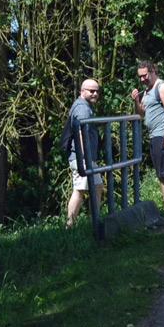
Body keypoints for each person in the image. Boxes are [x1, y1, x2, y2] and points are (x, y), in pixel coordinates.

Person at [130, 60, 164, 211]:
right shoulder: (147, 91)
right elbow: (141, 113)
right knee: (161, 173)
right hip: (154, 136)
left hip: (163, 135)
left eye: (144, 75)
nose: (142, 79)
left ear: (152, 72)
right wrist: (136, 101)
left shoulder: (162, 87)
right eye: (140, 77)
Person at [65, 78, 103, 227]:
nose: (95, 94)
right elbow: (80, 132)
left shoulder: (85, 105)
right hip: (82, 157)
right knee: (79, 190)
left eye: (96, 91)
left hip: (87, 156)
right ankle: (70, 226)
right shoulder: (82, 108)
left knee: (98, 185)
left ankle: (94, 221)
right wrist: (84, 158)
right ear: (82, 91)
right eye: (91, 91)